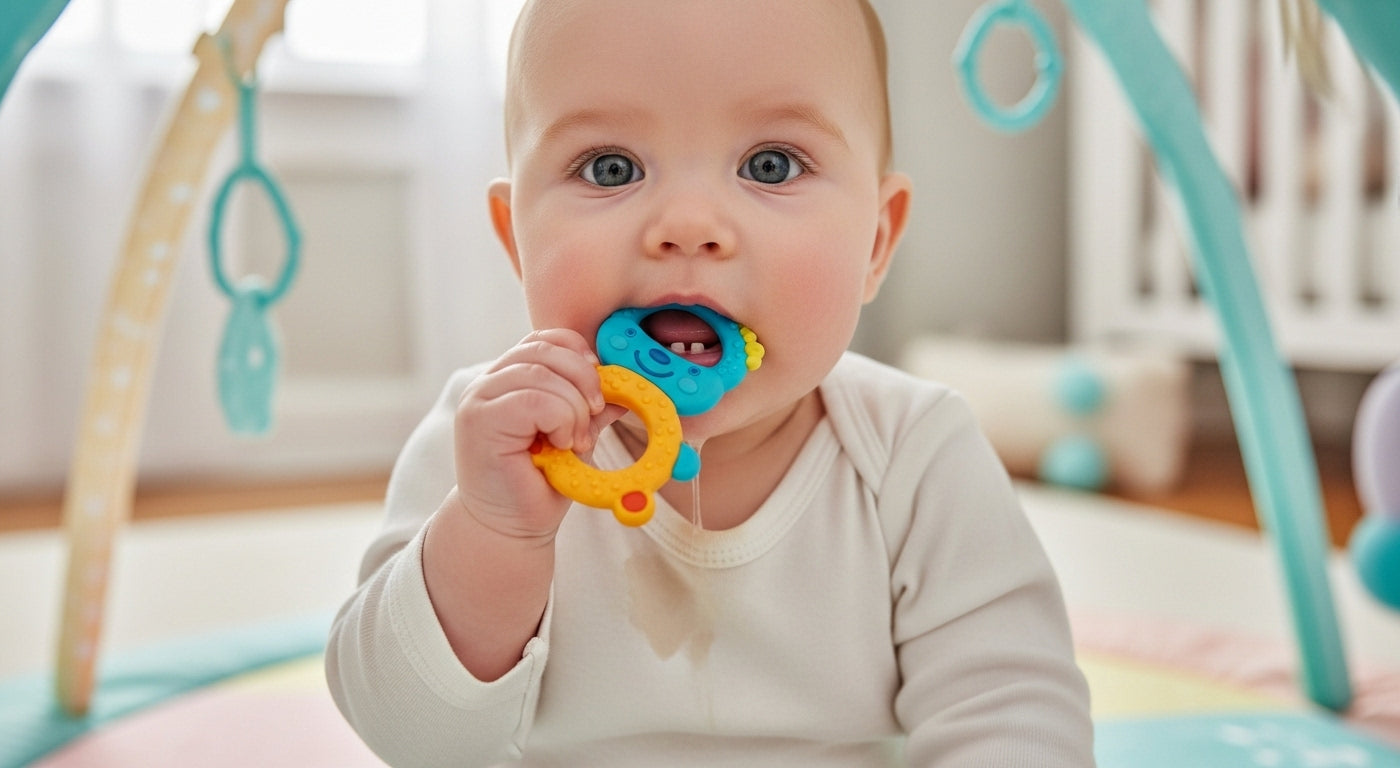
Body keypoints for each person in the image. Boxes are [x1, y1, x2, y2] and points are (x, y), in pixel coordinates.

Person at [326, 0, 1095, 765]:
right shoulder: (492, 443)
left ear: (876, 240)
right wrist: (493, 536)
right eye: (610, 168)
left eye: (771, 165)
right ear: (516, 239)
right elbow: (408, 738)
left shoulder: (913, 453)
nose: (688, 222)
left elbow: (1013, 712)